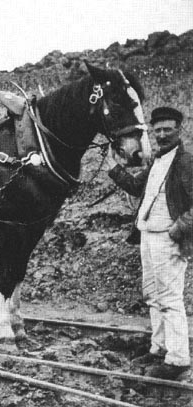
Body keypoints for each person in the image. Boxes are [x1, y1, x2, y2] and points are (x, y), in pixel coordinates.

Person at [107, 106, 193, 380]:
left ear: (179, 130)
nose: (162, 135)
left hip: (168, 238)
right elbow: (136, 188)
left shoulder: (186, 162)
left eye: (168, 129)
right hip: (148, 235)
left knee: (169, 298)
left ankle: (178, 359)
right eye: (157, 130)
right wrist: (114, 170)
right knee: (153, 296)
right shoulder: (157, 160)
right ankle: (159, 348)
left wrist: (178, 228)